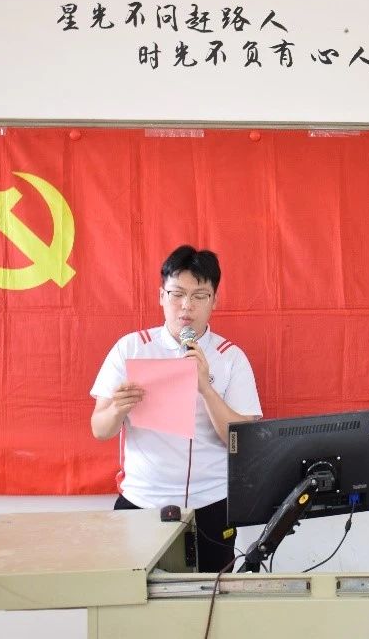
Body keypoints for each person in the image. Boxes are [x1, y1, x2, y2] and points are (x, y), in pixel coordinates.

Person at [90, 244, 262, 572]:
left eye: (199, 296)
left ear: (215, 300)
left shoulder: (230, 357)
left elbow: (244, 442)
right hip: (142, 501)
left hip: (211, 503)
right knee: (134, 595)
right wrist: (118, 409)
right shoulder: (131, 348)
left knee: (211, 597)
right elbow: (100, 429)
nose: (186, 306)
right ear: (161, 296)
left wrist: (206, 388)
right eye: (177, 294)